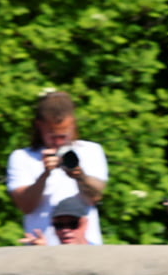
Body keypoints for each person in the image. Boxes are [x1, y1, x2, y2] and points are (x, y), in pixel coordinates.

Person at [7, 92, 109, 245]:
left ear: (73, 124)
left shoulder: (91, 151)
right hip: (42, 247)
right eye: (53, 136)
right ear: (40, 126)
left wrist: (79, 175)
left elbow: (95, 197)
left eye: (63, 136)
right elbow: (26, 206)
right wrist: (45, 174)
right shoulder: (22, 157)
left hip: (85, 249)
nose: (59, 142)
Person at [20, 195, 92, 246]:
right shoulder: (52, 254)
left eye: (73, 224)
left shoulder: (97, 252)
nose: (65, 230)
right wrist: (42, 252)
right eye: (59, 225)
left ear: (85, 224)